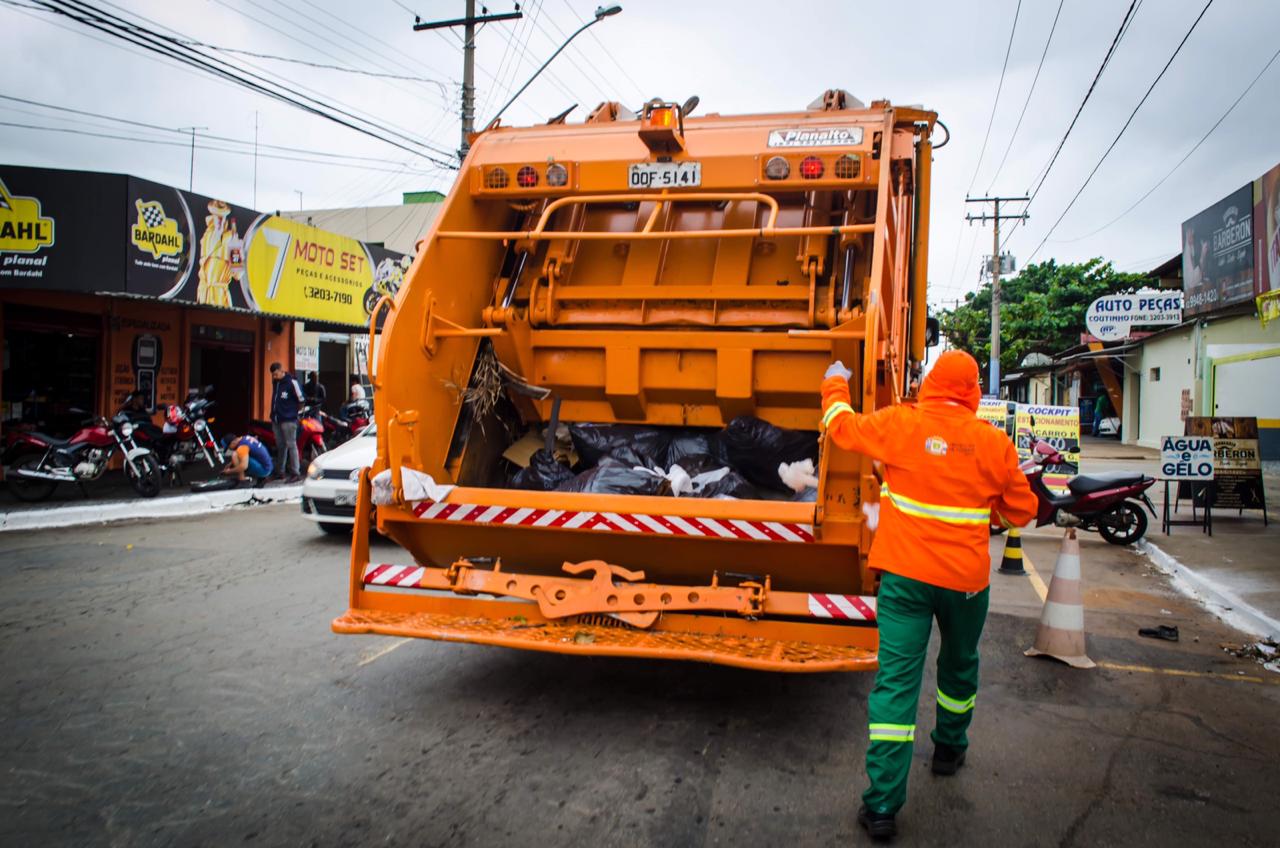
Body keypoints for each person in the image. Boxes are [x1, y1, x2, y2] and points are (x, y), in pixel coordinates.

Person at [820, 350, 1038, 841]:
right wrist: (989, 513)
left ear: (931, 384)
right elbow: (1022, 511)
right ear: (973, 392)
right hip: (965, 584)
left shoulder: (901, 423)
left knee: (896, 684)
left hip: (904, 580)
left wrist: (835, 382)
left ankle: (880, 806)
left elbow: (842, 429)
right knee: (959, 667)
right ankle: (948, 750)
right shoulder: (994, 442)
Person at [269, 362, 305, 483]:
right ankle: (281, 471)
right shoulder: (276, 383)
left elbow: (301, 399)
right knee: (281, 446)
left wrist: (294, 413)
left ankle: (296, 472)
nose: (274, 377)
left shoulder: (291, 382)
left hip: (289, 419)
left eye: (276, 374)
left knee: (291, 445)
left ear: (281, 370)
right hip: (276, 419)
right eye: (272, 375)